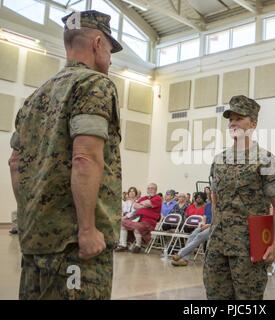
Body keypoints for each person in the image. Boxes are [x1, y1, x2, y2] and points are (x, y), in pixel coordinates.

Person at [8, 10, 123, 300]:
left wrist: (30, 221)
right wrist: (87, 229)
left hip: (36, 241)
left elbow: (15, 164)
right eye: (110, 49)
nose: (110, 59)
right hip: (74, 246)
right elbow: (85, 157)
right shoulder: (94, 84)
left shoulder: (35, 97)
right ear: (97, 43)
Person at [204, 95, 275, 300]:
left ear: (253, 124)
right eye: (230, 119)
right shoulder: (219, 160)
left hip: (248, 246)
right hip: (218, 245)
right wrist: (214, 227)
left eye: (239, 118)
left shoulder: (266, 160)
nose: (233, 123)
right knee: (215, 296)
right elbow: (215, 198)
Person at [116, 183, 162, 253]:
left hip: (149, 222)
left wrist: (143, 204)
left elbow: (147, 203)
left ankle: (138, 245)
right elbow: (135, 206)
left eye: (152, 188)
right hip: (137, 219)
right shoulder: (144, 198)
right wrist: (145, 205)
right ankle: (123, 245)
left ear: (155, 189)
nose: (150, 190)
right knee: (122, 223)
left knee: (137, 227)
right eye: (148, 188)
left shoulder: (158, 198)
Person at [171, 198, 213, 267]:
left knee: (200, 235)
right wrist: (202, 223)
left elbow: (218, 220)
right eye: (211, 193)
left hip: (214, 227)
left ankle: (180, 254)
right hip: (205, 226)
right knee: (193, 234)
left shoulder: (220, 205)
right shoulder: (208, 205)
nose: (212, 195)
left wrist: (208, 225)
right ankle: (185, 260)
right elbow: (204, 217)